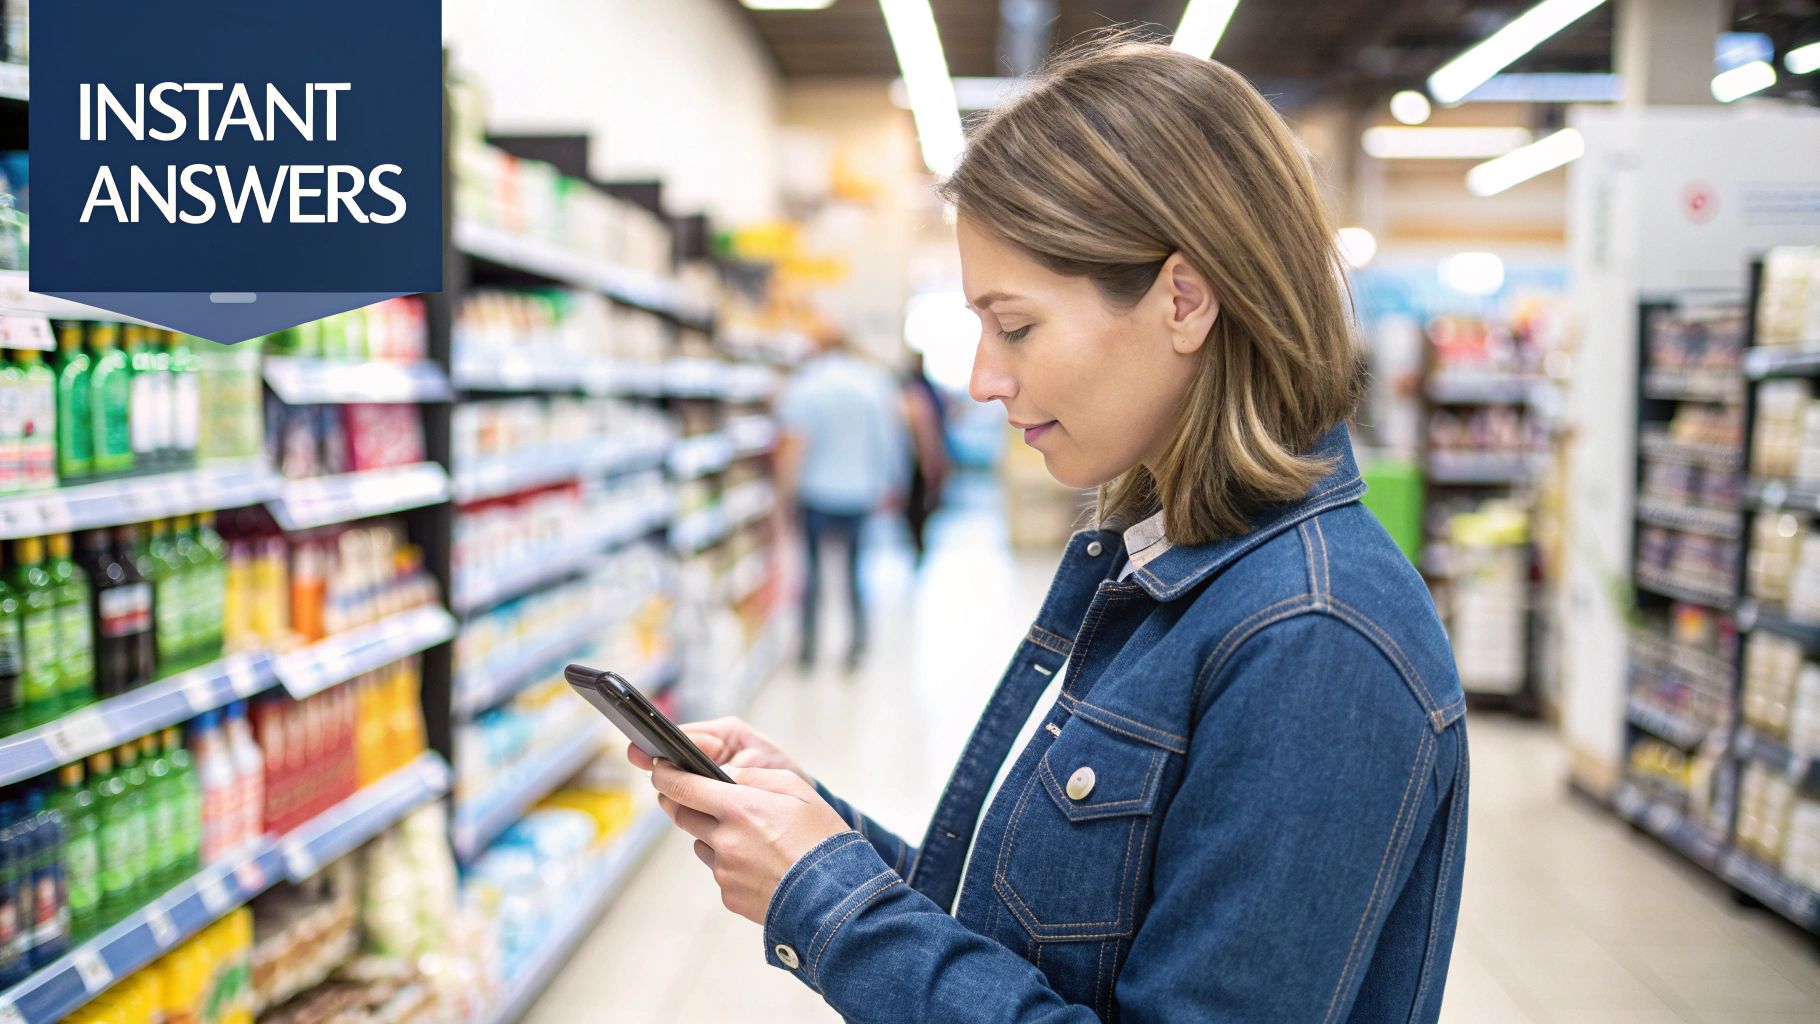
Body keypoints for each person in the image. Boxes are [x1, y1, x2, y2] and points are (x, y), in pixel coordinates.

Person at [632, 38, 1468, 1022]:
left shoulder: (1311, 637)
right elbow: (1036, 949)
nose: (983, 378)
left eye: (1015, 325)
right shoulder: (1168, 572)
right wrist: (816, 841)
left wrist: (830, 908)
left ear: (1183, 299)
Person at [774, 325, 909, 671]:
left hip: (815, 492)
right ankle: (857, 646)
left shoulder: (806, 386)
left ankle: (808, 650)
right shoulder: (874, 383)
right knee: (854, 571)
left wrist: (785, 495)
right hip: (859, 492)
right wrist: (891, 484)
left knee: (813, 572)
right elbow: (888, 439)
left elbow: (794, 445)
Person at [900, 352, 950, 562]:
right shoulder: (917, 391)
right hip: (913, 458)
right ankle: (916, 545)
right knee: (915, 506)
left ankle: (918, 546)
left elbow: (928, 431)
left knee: (919, 505)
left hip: (917, 459)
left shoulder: (921, 391)